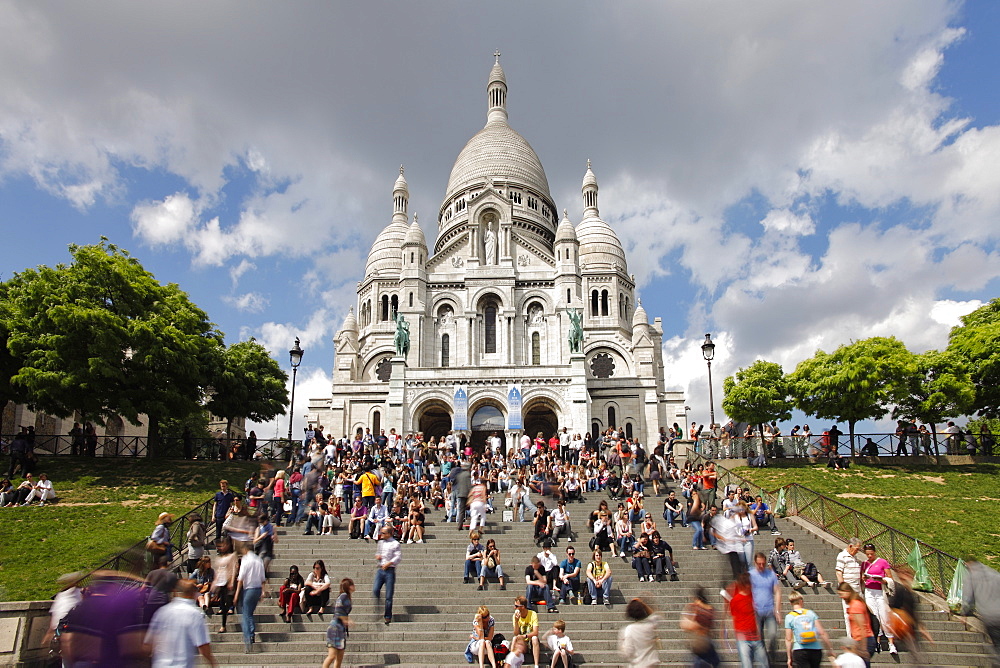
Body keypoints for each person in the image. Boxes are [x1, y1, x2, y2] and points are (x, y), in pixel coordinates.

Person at [144, 579, 218, 668]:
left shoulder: (162, 612)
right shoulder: (194, 614)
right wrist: (212, 663)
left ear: (176, 592)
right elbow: (203, 646)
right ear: (193, 594)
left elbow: (148, 643)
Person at [723, 571, 767, 668]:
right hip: (743, 637)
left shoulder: (754, 597)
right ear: (746, 585)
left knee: (763, 665)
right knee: (748, 665)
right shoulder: (736, 600)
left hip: (755, 636)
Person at [960, 559, 1000, 666]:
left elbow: (968, 597)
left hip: (989, 616)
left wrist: (964, 612)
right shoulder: (994, 573)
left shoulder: (971, 576)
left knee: (996, 643)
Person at [860, 543, 896, 655]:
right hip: (869, 590)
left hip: (880, 590)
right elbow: (862, 577)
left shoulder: (882, 562)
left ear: (875, 552)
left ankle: (891, 642)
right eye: (867, 554)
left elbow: (890, 578)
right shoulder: (865, 564)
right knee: (874, 616)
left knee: (884, 615)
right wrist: (864, 578)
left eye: (871, 554)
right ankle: (877, 641)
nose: (869, 556)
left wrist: (881, 580)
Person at [783, 591, 833, 668]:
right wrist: (829, 649)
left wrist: (789, 657)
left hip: (799, 649)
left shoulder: (789, 617)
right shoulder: (810, 613)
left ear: (791, 603)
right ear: (801, 601)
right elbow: (822, 632)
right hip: (815, 648)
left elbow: (788, 639)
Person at [749, 551, 782, 662]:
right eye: (759, 564)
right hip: (756, 611)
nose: (761, 566)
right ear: (755, 563)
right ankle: (764, 660)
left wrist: (777, 610)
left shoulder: (770, 574)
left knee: (773, 634)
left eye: (763, 563)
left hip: (769, 610)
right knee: (759, 638)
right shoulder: (751, 575)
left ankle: (772, 654)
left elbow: (777, 591)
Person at [234, 545, 266, 653]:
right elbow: (263, 578)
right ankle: (251, 634)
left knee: (245, 614)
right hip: (257, 589)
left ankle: (248, 638)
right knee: (249, 613)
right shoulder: (259, 560)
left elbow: (241, 578)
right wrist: (263, 591)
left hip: (249, 589)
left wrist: (236, 594)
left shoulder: (245, 560)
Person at [837, 583, 876, 666]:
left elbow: (862, 627)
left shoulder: (855, 605)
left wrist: (863, 648)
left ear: (848, 592)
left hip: (864, 640)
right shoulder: (855, 603)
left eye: (841, 594)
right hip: (861, 640)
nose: (840, 597)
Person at [322, 578, 354, 668]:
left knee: (339, 657)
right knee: (332, 656)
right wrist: (347, 620)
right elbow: (338, 611)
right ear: (348, 586)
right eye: (352, 584)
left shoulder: (347, 597)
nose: (353, 586)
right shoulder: (343, 596)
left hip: (341, 629)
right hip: (335, 629)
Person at [374, 523, 401, 624]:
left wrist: (389, 563)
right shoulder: (381, 543)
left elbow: (398, 557)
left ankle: (388, 615)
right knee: (376, 589)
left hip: (389, 570)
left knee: (389, 595)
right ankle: (380, 604)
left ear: (389, 534)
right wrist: (378, 556)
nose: (381, 535)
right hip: (381, 569)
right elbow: (378, 552)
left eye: (383, 533)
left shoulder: (395, 544)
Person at [512, 595, 541, 668]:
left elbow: (535, 632)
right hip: (522, 642)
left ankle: (536, 665)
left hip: (530, 639)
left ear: (523, 607)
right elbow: (516, 633)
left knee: (534, 638)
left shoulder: (532, 614)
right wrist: (516, 621)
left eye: (516, 606)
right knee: (514, 639)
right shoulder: (515, 616)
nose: (514, 608)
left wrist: (525, 636)